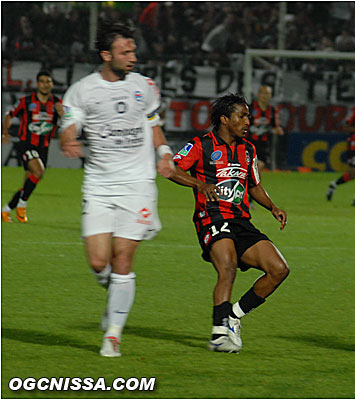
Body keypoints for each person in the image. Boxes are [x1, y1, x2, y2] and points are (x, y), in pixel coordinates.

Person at [59, 20, 175, 357]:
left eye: (133, 50)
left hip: (138, 185)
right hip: (98, 185)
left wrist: (164, 154)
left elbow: (153, 125)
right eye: (125, 51)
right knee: (99, 263)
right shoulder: (82, 90)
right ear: (106, 54)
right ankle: (114, 293)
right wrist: (69, 141)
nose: (133, 57)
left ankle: (113, 333)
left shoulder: (145, 86)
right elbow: (69, 127)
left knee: (123, 257)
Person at [169, 93, 290, 353]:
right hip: (211, 216)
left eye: (248, 116)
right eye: (242, 116)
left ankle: (234, 316)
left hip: (240, 220)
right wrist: (199, 184)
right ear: (225, 119)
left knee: (279, 269)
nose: (248, 121)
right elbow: (171, 169)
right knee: (228, 266)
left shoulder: (248, 149)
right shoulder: (201, 145)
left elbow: (254, 185)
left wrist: (272, 207)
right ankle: (218, 334)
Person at [1, 70, 64, 223]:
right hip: (26, 144)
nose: (45, 84)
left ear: (52, 84)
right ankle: (22, 206)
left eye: (48, 81)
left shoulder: (56, 103)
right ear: (37, 84)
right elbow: (10, 114)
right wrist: (5, 132)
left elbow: (67, 119)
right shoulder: (27, 101)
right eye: (42, 81)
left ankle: (6, 209)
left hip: (44, 147)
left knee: (28, 183)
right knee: (39, 171)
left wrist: (64, 115)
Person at [248, 85, 284, 174]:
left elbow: (276, 126)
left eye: (267, 93)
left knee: (260, 167)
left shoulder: (272, 110)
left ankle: (252, 186)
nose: (264, 95)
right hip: (249, 143)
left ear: (270, 95)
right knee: (253, 167)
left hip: (264, 144)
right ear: (258, 94)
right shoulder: (250, 108)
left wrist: (278, 130)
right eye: (262, 93)